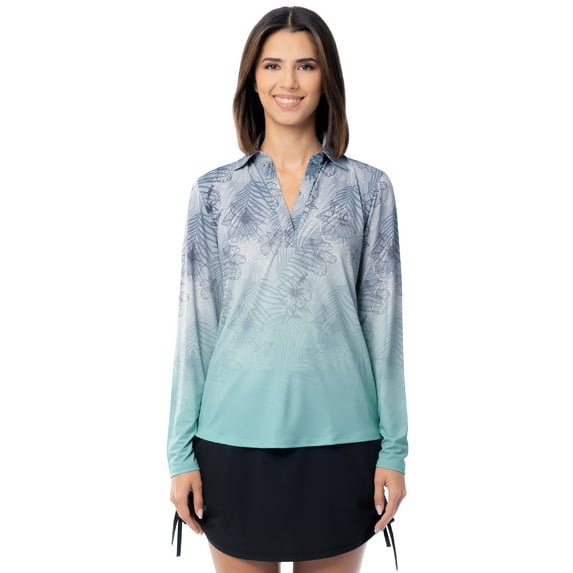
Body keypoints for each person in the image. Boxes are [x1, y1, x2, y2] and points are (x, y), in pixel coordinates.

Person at [167, 6, 408, 573]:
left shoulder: (369, 190)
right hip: (231, 440)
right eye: (273, 65)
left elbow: (385, 328)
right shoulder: (214, 193)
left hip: (342, 440)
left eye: (307, 65)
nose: (289, 81)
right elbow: (196, 327)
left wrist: (394, 449)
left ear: (327, 79)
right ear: (253, 78)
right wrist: (180, 454)